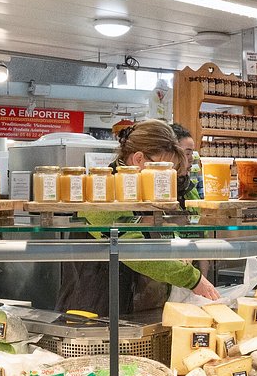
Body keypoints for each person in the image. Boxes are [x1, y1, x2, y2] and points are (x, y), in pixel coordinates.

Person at [56, 120, 220, 316]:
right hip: (93, 313)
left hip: (134, 311)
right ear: (138, 159)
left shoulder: (141, 190)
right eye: (162, 169)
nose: (167, 178)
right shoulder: (101, 192)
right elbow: (132, 250)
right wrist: (192, 279)